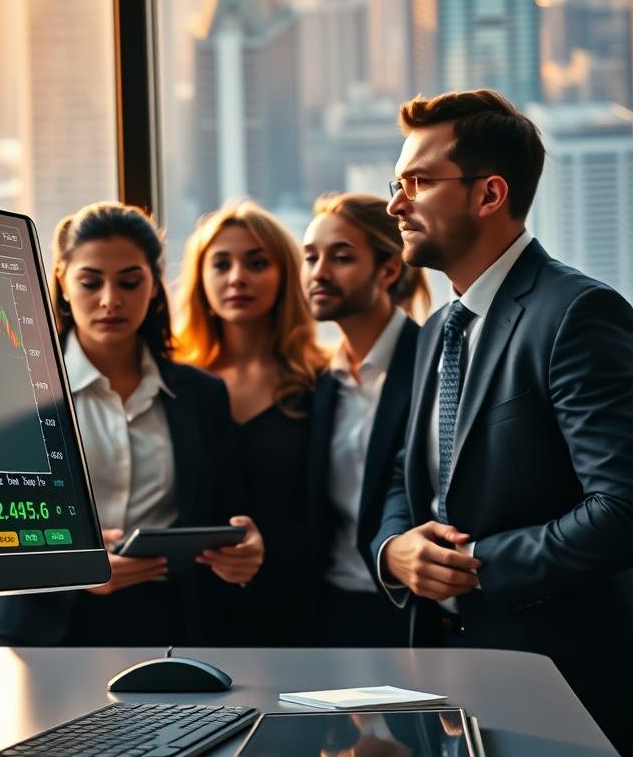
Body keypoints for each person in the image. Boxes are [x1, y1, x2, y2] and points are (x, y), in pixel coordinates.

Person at [372, 89, 633, 752]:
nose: (395, 205)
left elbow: (622, 507)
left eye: (419, 183)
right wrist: (395, 551)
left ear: (490, 195)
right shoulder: (437, 329)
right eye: (396, 184)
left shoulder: (577, 314)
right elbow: (414, 481)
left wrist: (477, 563)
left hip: (558, 686)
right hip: (444, 687)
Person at [0, 202, 263, 646]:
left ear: (154, 284)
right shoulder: (14, 389)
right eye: (91, 282)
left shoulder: (202, 394)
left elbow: (228, 512)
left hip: (171, 620)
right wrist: (73, 566)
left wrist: (244, 551)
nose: (111, 300)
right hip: (44, 622)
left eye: (130, 282)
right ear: (63, 285)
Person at [174, 199, 327, 644]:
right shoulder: (172, 385)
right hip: (187, 606)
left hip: (293, 601)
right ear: (200, 278)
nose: (237, 277)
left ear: (285, 274)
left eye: (257, 262)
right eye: (220, 264)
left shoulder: (320, 383)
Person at [302, 193, 429, 647]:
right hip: (335, 607)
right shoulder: (321, 382)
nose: (318, 273)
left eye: (340, 257)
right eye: (310, 257)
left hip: (415, 607)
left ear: (389, 269)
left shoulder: (432, 363)